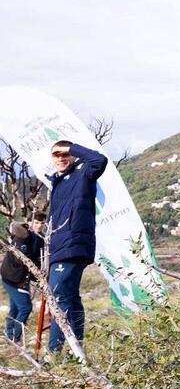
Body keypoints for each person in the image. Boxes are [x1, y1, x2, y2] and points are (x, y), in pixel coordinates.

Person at [46, 140, 108, 355]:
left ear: (72, 156)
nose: (61, 158)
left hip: (73, 245)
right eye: (56, 155)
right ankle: (76, 352)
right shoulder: (56, 182)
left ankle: (54, 352)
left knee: (58, 298)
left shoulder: (83, 173)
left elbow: (99, 160)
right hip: (59, 247)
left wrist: (70, 147)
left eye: (65, 155)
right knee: (69, 298)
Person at [1, 214, 45, 344]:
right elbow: (23, 260)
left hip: (17, 277)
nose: (39, 226)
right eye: (36, 223)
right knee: (25, 307)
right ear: (30, 222)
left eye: (42, 223)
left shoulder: (39, 239)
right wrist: (37, 276)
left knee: (15, 308)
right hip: (13, 278)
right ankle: (16, 338)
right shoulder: (23, 236)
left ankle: (10, 336)